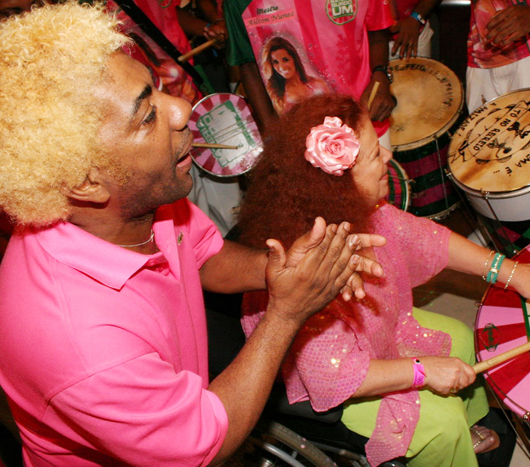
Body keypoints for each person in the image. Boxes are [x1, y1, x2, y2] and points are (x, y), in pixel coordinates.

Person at [0, 3, 387, 465]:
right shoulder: (77, 342)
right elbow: (204, 445)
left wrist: (282, 269)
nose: (182, 109)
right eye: (147, 116)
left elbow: (204, 255)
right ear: (85, 181)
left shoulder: (139, 200)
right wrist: (285, 314)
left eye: (158, 89)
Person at [236, 94, 530, 467]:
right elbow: (334, 378)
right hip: (337, 375)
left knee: (463, 339)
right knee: (442, 427)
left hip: (373, 333)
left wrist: (512, 272)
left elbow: (429, 239)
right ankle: (452, 443)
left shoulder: (367, 212)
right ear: (337, 187)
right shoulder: (313, 274)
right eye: (372, 156)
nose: (387, 158)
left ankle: (470, 424)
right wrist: (423, 370)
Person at [223, 0, 395, 145]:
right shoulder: (239, 2)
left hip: (366, 120)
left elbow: (377, 32)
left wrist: (380, 75)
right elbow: (248, 64)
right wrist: (271, 136)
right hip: (302, 143)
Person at [261, 36, 330, 113]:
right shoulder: (279, 99)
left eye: (285, 60)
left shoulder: (318, 84)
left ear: (294, 59)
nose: (282, 67)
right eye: (275, 62)